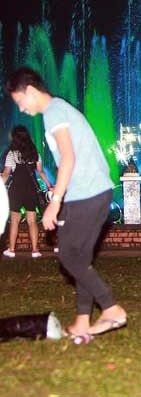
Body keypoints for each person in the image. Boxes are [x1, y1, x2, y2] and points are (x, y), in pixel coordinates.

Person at [6, 67, 126, 337]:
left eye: (19, 101)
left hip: (86, 193)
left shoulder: (54, 113)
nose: (22, 109)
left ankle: (110, 308)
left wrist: (55, 201)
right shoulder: (59, 109)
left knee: (69, 256)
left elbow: (68, 158)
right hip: (95, 192)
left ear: (31, 91)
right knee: (80, 258)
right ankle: (83, 322)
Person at [2, 125, 53, 258]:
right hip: (31, 190)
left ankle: (12, 250)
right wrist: (49, 185)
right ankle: (35, 250)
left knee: (14, 221)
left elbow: (7, 173)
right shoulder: (34, 152)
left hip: (16, 191)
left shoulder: (12, 153)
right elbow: (40, 172)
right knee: (32, 221)